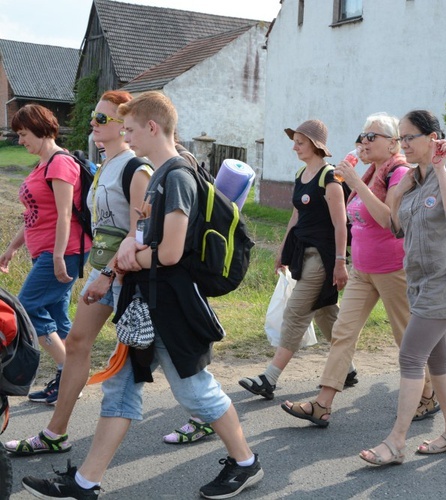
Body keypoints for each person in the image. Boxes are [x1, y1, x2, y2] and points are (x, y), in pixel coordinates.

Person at [21, 91, 263, 499]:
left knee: (195, 392)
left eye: (130, 129)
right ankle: (85, 482)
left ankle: (246, 462)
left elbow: (169, 252)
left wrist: (130, 257)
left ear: (152, 127)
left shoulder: (177, 177)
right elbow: (148, 235)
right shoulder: (166, 173)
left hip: (168, 304)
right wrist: (129, 250)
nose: (127, 137)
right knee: (119, 387)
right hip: (146, 301)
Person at [3, 91, 153, 455]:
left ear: (125, 126)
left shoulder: (136, 168)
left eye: (102, 119)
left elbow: (138, 235)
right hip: (103, 271)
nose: (93, 124)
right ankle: (55, 433)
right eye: (93, 118)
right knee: (75, 344)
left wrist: (103, 271)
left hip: (127, 277)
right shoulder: (105, 166)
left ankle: (215, 422)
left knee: (182, 369)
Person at [281, 112, 438, 425]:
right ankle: (322, 404)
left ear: (393, 144)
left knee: (405, 339)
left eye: (372, 136)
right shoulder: (368, 172)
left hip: (393, 270)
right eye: (362, 135)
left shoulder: (400, 172)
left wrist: (353, 181)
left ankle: (428, 395)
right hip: (363, 270)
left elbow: (388, 220)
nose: (363, 141)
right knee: (342, 333)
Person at [359, 110, 446, 465]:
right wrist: (398, 192)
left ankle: (396, 441)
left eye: (410, 137)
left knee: (411, 356)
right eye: (402, 138)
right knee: (438, 358)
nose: (403, 144)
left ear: (433, 137)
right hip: (420, 280)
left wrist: (440, 168)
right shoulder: (410, 178)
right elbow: (396, 227)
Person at [239, 119, 348, 400]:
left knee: (296, 312)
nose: (295, 146)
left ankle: (269, 378)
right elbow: (295, 217)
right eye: (295, 141)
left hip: (322, 258)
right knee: (325, 312)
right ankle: (347, 368)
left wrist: (339, 262)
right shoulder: (302, 173)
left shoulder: (330, 177)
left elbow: (340, 224)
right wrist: (282, 251)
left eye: (300, 141)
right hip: (303, 253)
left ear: (316, 144)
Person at [0, 104, 91, 405]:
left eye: (23, 134)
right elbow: (34, 216)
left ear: (40, 130)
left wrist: (57, 256)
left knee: (26, 309)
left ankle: (68, 375)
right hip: (48, 252)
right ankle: (75, 373)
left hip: (63, 252)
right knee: (54, 315)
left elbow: (65, 215)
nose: (20, 140)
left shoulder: (60, 164)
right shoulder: (42, 164)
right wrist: (13, 248)